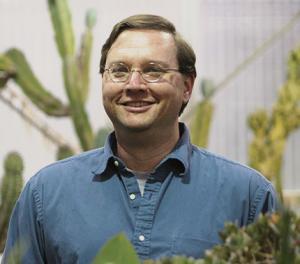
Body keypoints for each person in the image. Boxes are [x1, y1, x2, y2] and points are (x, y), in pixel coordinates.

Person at [2, 14, 277, 263]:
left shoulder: (248, 196)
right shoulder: (45, 194)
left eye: (153, 70)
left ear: (187, 87)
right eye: (119, 70)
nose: (134, 85)